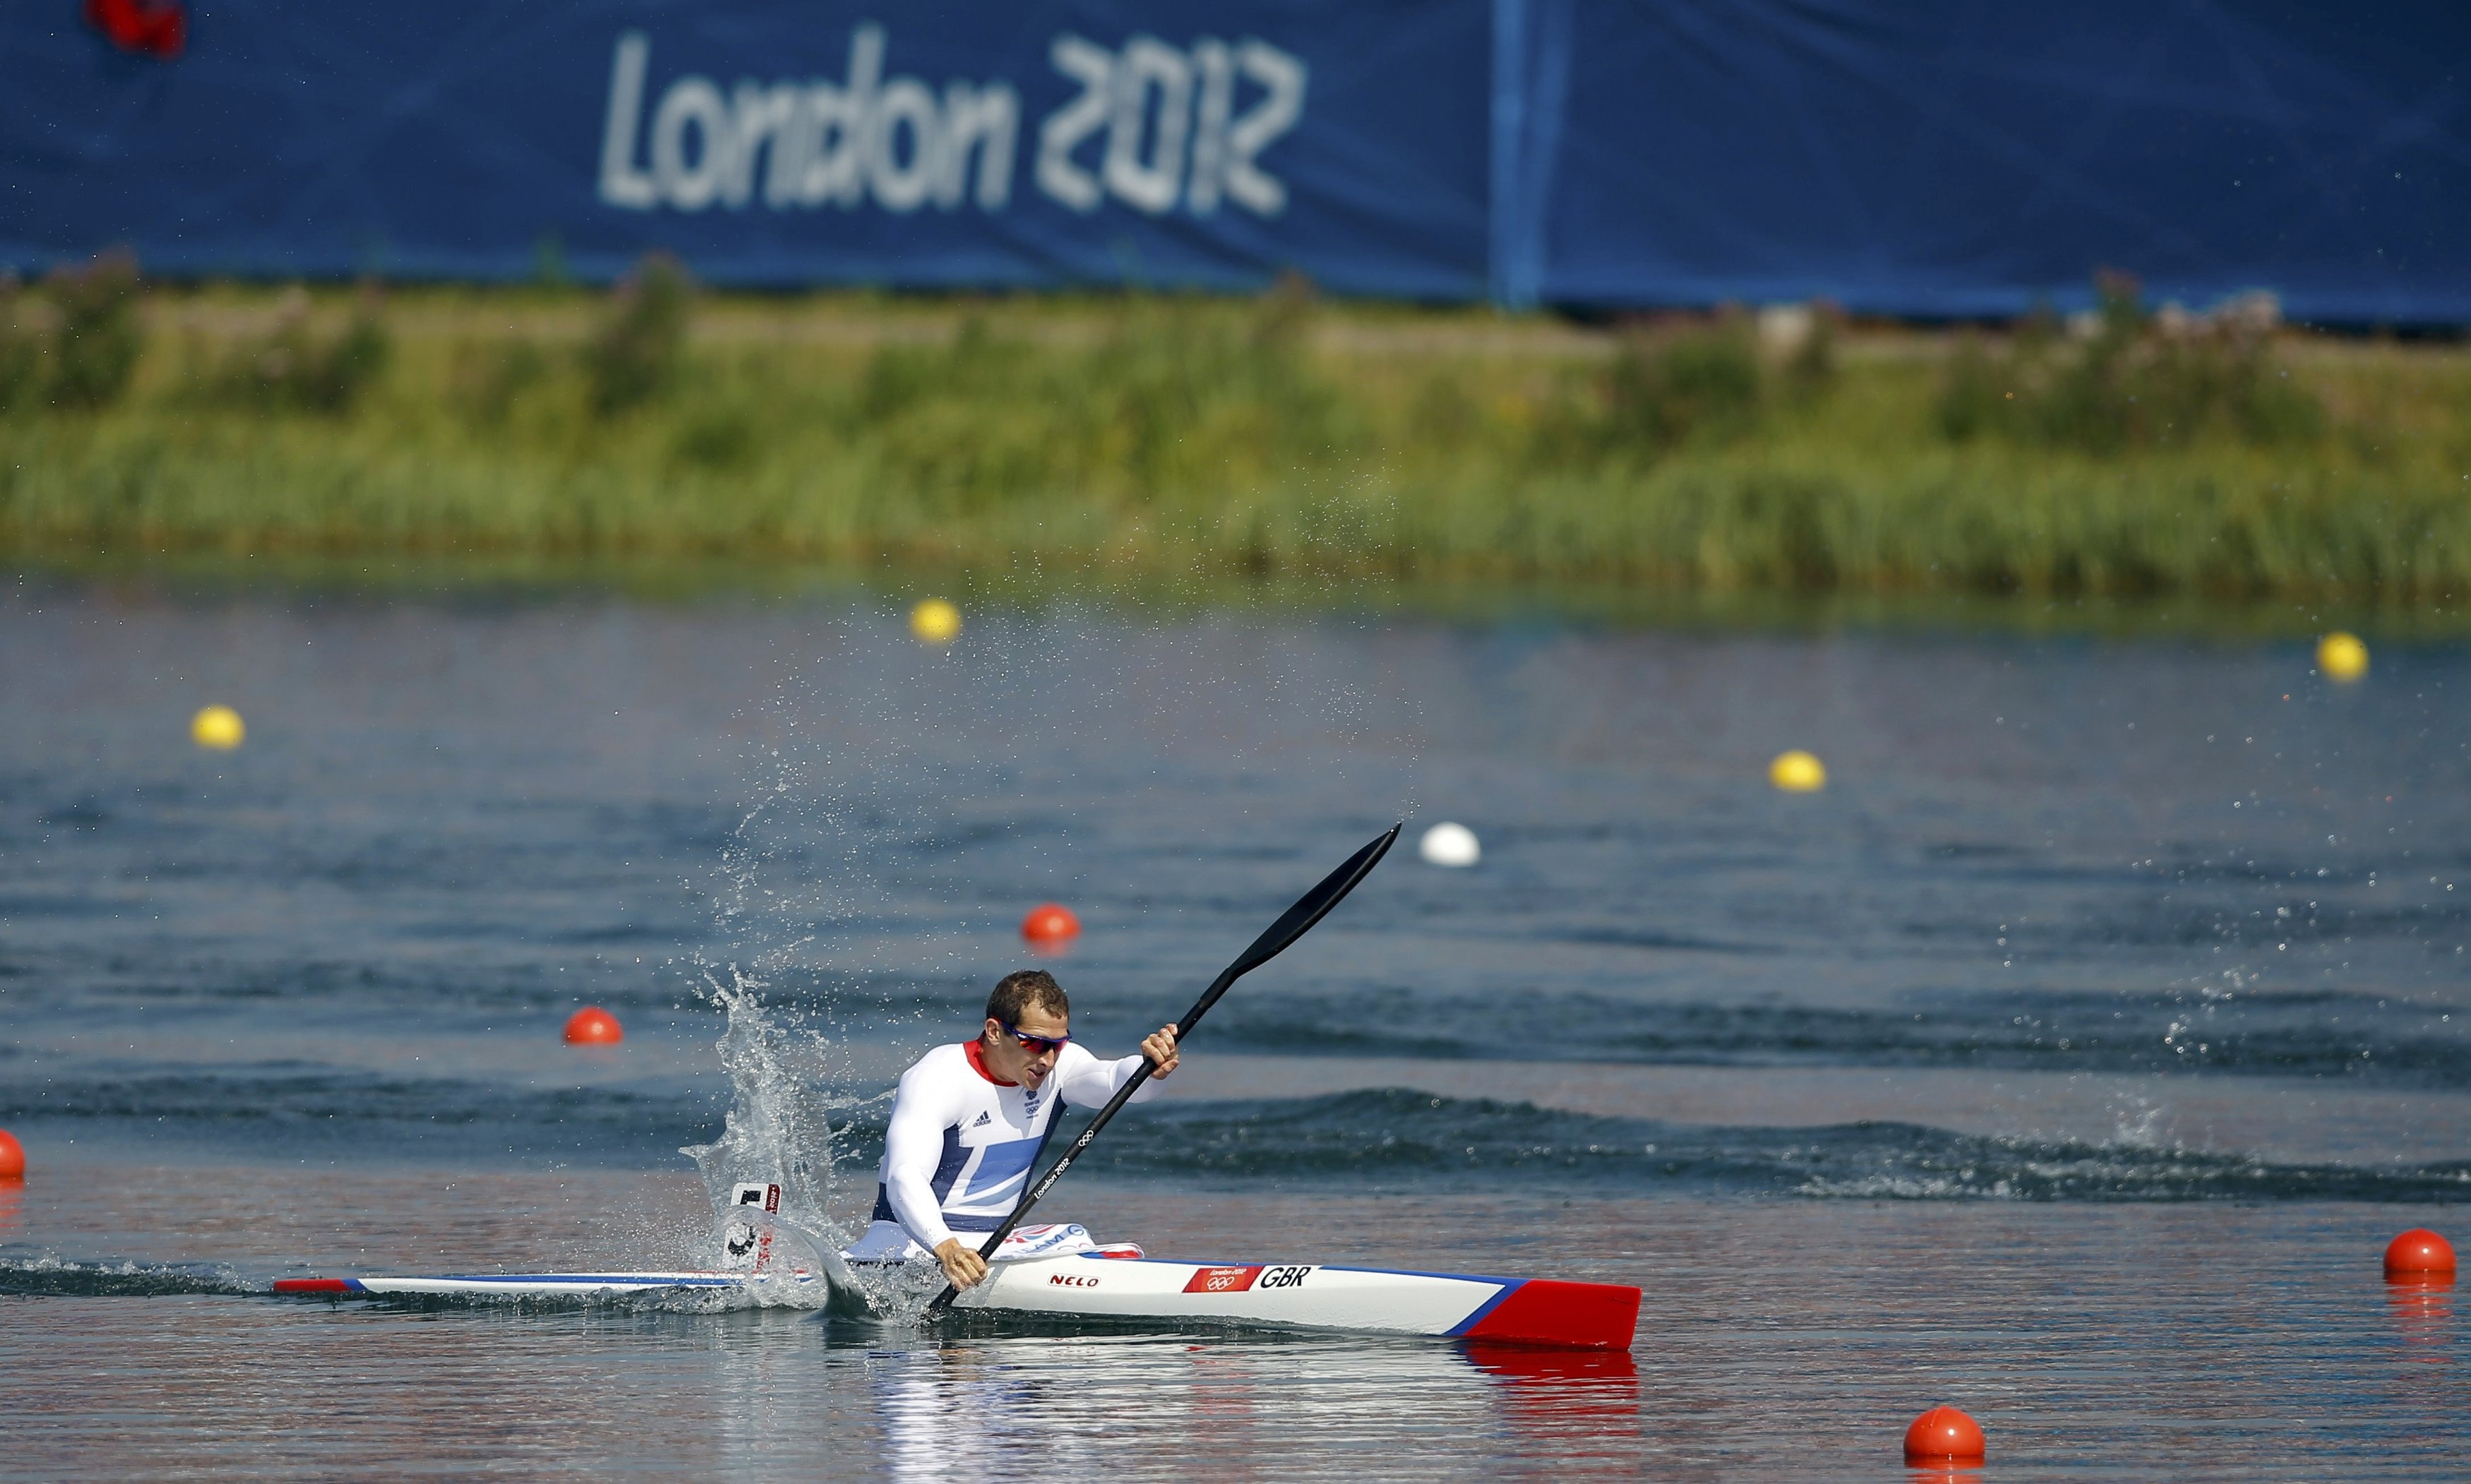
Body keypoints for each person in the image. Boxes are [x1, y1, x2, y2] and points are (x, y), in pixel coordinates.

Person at [844, 968, 1179, 1291]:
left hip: (999, 1248)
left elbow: (1119, 1082)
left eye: (1057, 1044)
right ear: (994, 1031)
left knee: (1083, 1238)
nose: (1047, 1059)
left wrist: (1152, 1067)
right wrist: (946, 1247)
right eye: (1033, 1043)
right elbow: (906, 1176)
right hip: (907, 1246)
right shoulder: (938, 1078)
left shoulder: (1060, 1069)